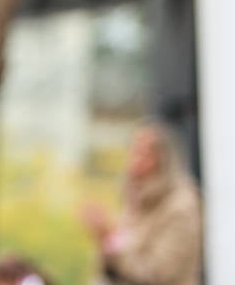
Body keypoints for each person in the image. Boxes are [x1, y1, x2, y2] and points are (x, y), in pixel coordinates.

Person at [80, 120, 202, 285]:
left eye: (145, 153)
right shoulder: (136, 200)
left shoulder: (180, 205)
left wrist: (110, 239)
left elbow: (157, 274)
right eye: (134, 151)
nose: (135, 162)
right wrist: (105, 241)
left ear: (163, 159)